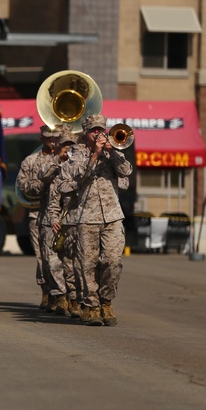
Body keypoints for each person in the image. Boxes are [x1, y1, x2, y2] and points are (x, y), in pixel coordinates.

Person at [55, 113, 132, 326]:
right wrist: (94, 156)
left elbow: (126, 171)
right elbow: (67, 183)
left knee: (112, 262)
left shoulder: (113, 152)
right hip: (86, 217)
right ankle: (92, 305)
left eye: (101, 130)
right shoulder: (76, 155)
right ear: (86, 133)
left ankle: (106, 300)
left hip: (112, 216)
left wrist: (112, 152)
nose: (98, 134)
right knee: (87, 265)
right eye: (93, 130)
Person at [16, 125, 66, 312]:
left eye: (56, 138)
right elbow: (23, 185)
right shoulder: (31, 161)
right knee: (43, 258)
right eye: (48, 138)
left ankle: (64, 294)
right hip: (38, 213)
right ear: (41, 139)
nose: (52, 141)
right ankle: (49, 291)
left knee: (65, 258)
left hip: (64, 214)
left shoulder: (68, 156)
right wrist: (41, 185)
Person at [46, 126, 81, 318]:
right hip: (67, 222)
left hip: (85, 221)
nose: (68, 149)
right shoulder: (60, 169)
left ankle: (85, 300)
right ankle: (72, 300)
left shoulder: (84, 165)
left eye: (71, 145)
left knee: (83, 265)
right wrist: (54, 219)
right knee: (67, 264)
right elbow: (54, 200)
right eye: (65, 145)